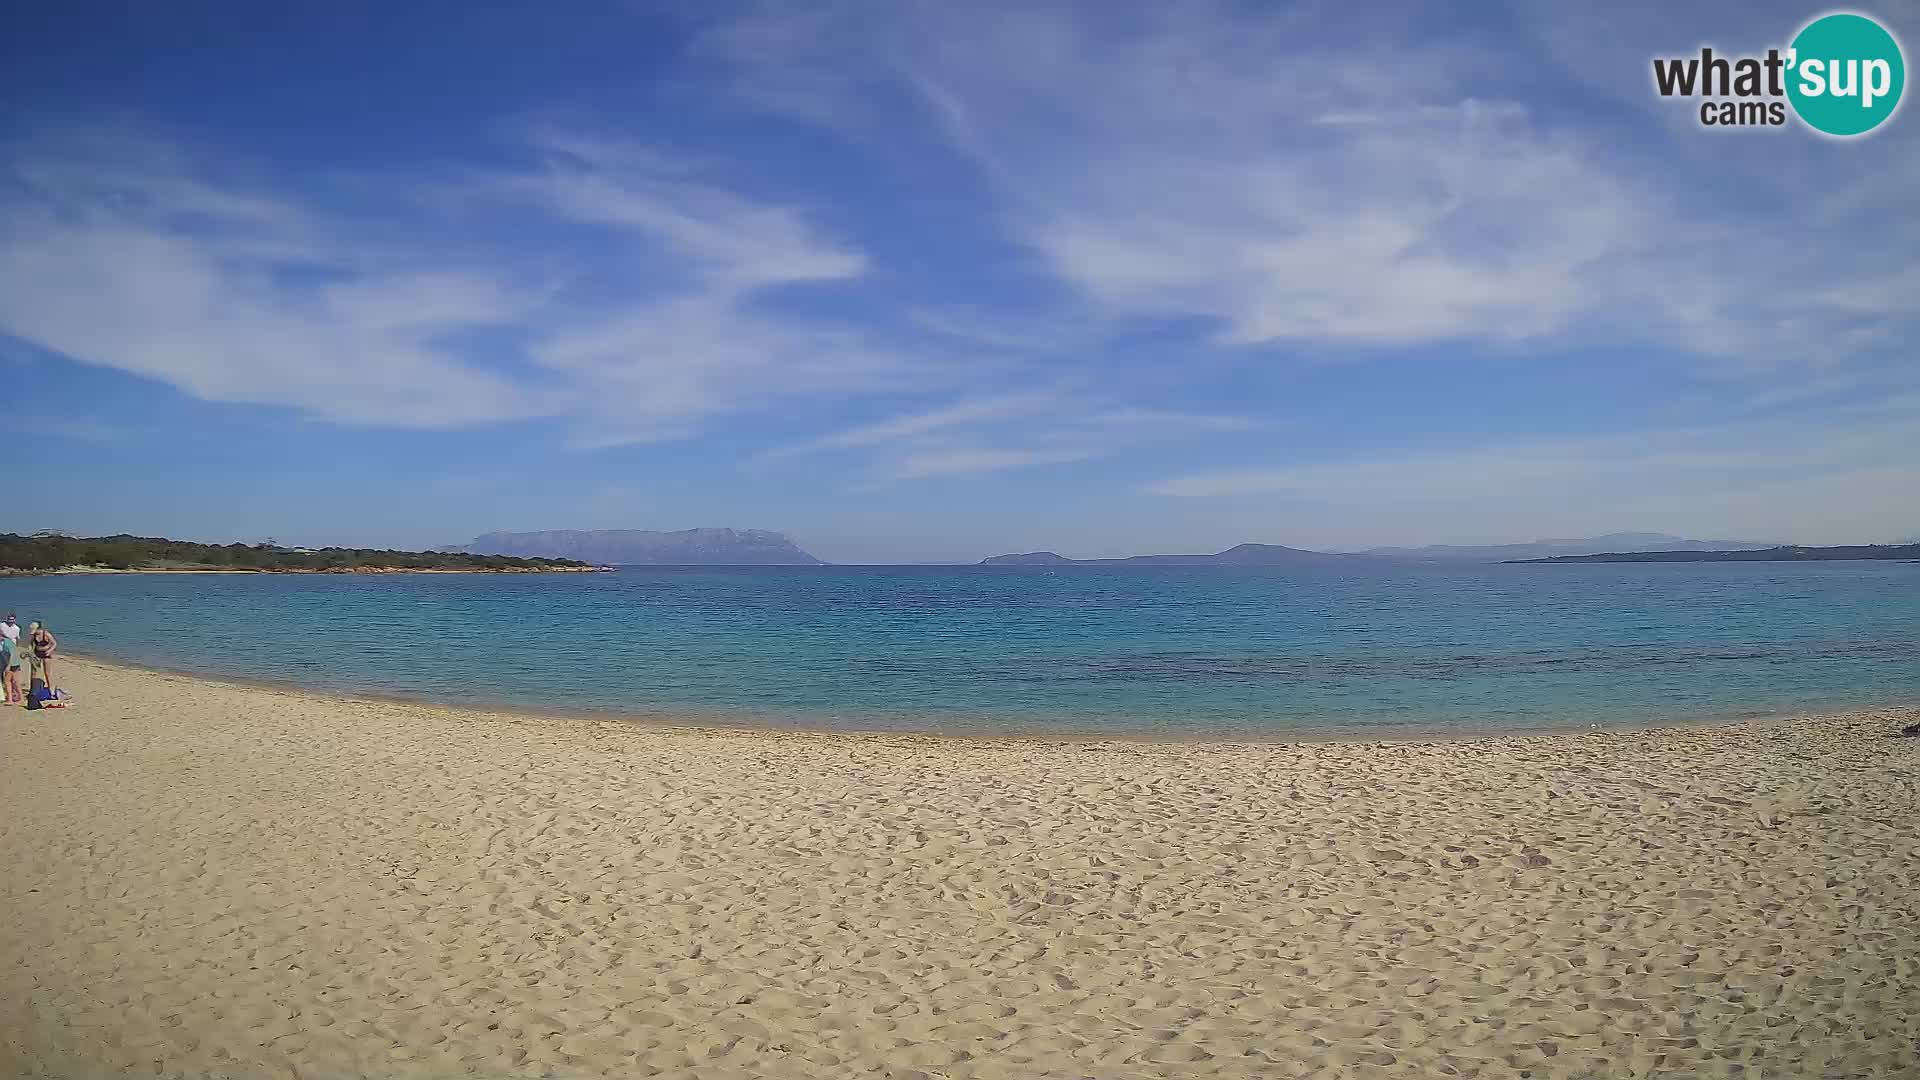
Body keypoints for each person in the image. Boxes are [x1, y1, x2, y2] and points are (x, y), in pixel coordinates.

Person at [29, 621, 56, 694]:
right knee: (34, 672)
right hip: (36, 654)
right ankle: (32, 689)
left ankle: (51, 689)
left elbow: (54, 643)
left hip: (46, 655)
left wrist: (50, 650)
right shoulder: (34, 635)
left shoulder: (46, 634)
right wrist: (30, 653)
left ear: (38, 629)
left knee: (47, 673)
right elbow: (31, 644)